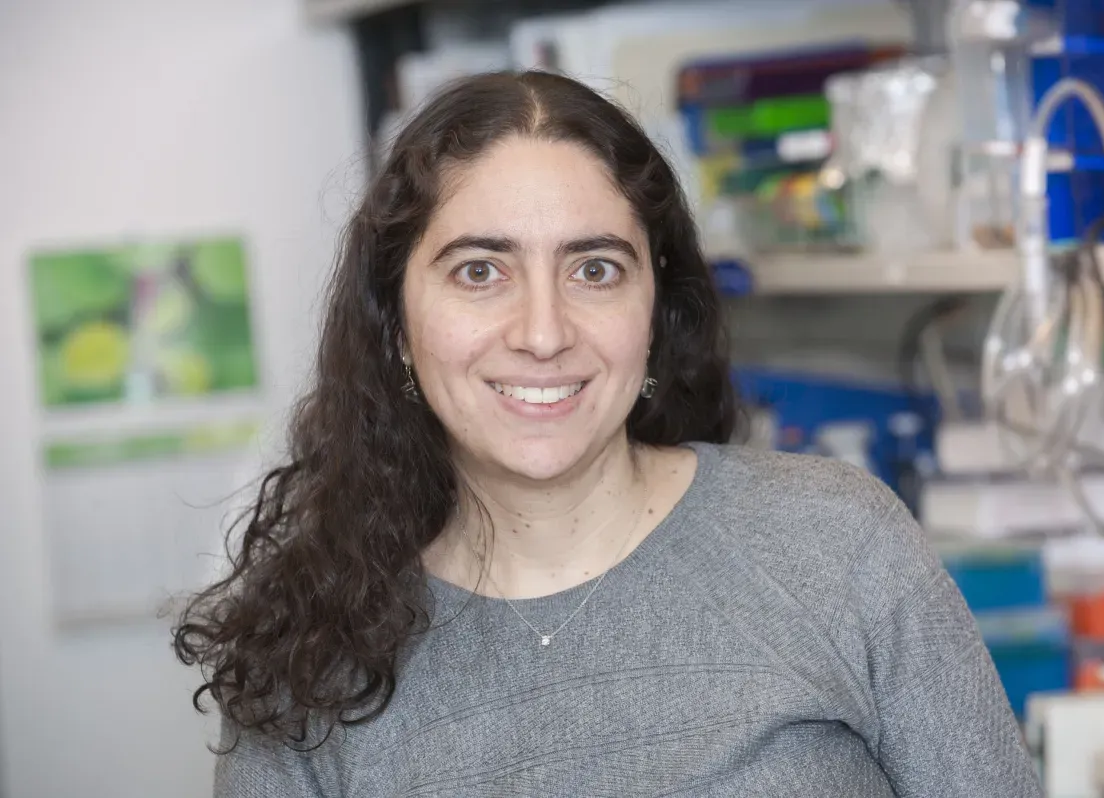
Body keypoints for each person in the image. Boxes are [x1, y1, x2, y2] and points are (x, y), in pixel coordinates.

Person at [174, 70, 1041, 797]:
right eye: (481, 272)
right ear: (396, 325)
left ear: (655, 312)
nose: (543, 331)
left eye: (595, 269)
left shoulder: (840, 547)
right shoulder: (308, 663)